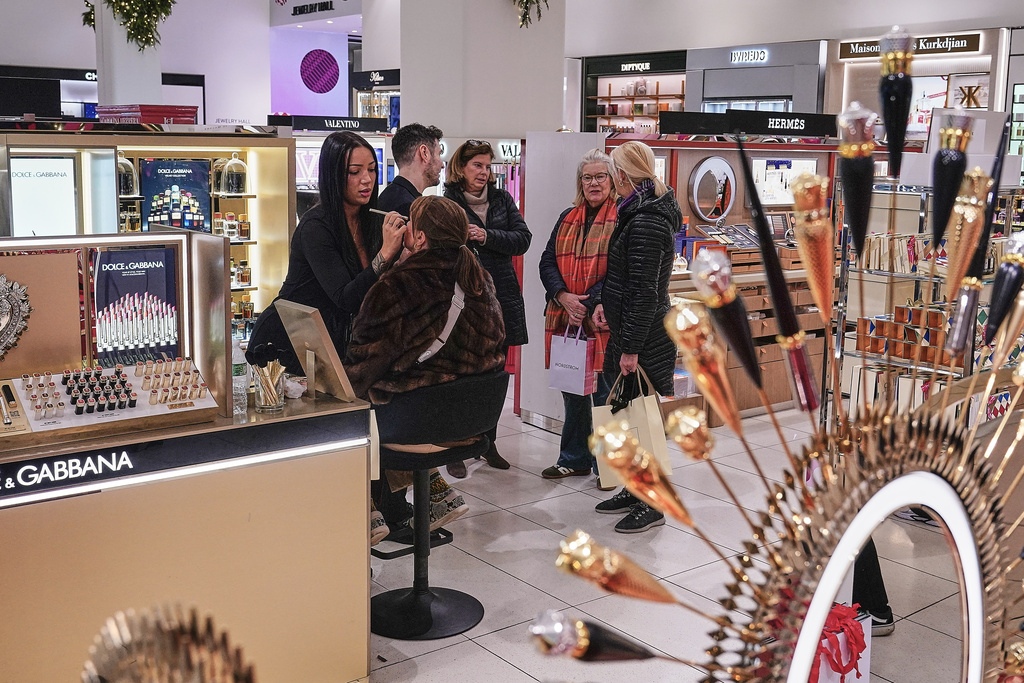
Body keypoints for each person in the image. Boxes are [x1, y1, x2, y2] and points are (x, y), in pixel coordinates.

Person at [346, 195, 507, 540]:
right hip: (472, 420)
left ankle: (361, 510)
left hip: (416, 423)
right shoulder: (481, 278)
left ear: (419, 238)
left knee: (343, 413)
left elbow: (362, 363)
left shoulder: (398, 285)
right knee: (402, 402)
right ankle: (436, 491)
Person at [246, 131, 406, 372]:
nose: (367, 180)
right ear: (333, 175)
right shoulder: (316, 227)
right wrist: (385, 254)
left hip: (329, 344)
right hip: (286, 342)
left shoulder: (370, 221)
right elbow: (346, 298)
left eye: (372, 170)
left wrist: (403, 256)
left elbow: (372, 291)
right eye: (355, 172)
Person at [592, 140, 681, 534]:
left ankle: (653, 502)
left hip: (642, 338)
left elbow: (644, 291)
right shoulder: (640, 211)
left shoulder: (645, 220)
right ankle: (634, 487)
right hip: (633, 331)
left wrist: (630, 349)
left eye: (613, 173)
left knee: (642, 423)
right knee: (628, 419)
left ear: (622, 176)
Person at [444, 139, 532, 477]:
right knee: (462, 372)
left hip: (502, 295)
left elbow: (523, 239)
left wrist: (486, 236)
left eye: (487, 165)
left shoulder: (501, 199)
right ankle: (455, 445)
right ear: (461, 168)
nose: (484, 172)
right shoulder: (448, 200)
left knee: (496, 374)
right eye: (477, 165)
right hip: (463, 298)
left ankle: (486, 440)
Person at [539, 149, 617, 488]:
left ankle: (606, 467)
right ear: (580, 182)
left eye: (601, 176)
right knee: (573, 390)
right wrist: (563, 296)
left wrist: (590, 299)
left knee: (603, 396)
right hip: (566, 317)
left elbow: (619, 268)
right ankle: (574, 460)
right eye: (588, 177)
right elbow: (546, 261)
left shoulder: (622, 217)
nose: (594, 183)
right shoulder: (567, 217)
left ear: (613, 181)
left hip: (601, 319)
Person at [378, 123, 444, 217]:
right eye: (439, 154)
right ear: (424, 153)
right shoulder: (408, 208)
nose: (442, 165)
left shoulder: (389, 197)